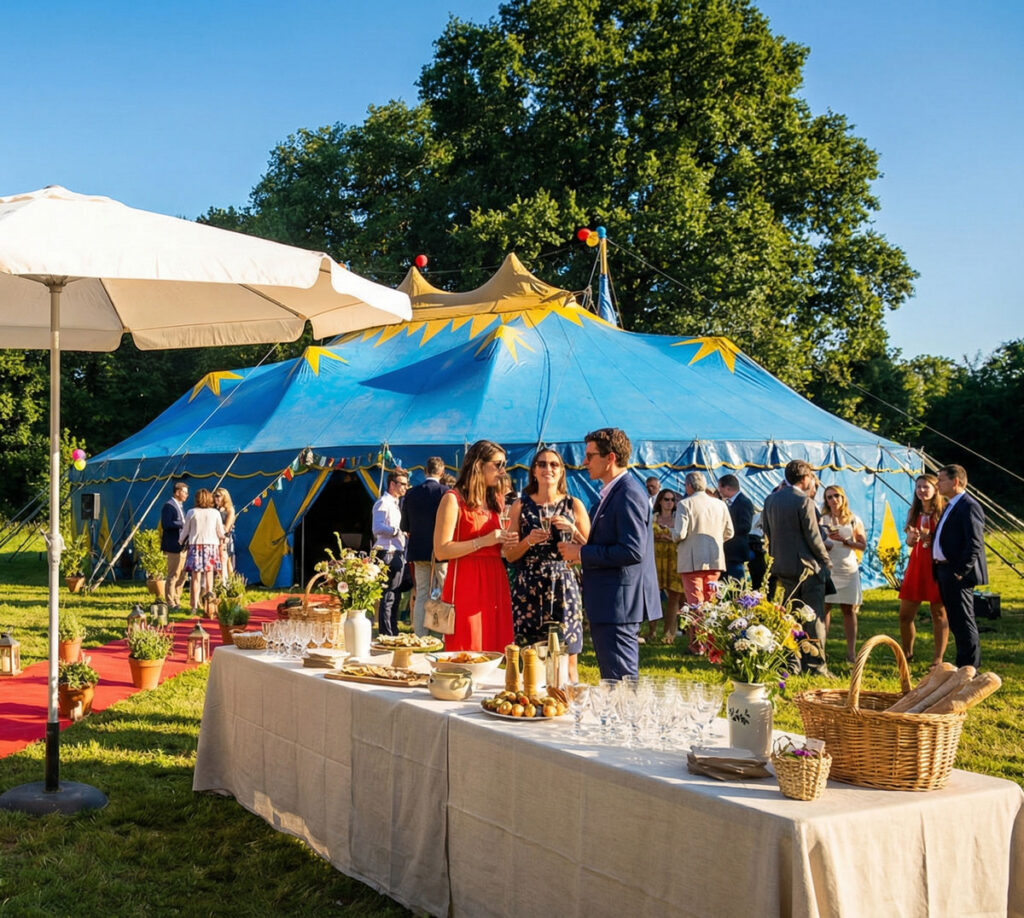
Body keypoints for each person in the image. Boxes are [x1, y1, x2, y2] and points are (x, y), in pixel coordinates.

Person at [558, 428, 660, 680]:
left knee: (620, 683)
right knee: (613, 680)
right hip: (611, 601)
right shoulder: (615, 492)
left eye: (590, 456)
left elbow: (632, 550)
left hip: (619, 604)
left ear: (610, 458)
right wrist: (581, 551)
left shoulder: (628, 493)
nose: (584, 462)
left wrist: (582, 553)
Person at [504, 448, 590, 682]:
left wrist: (572, 530)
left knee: (567, 660)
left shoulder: (574, 505)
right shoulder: (520, 506)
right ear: (533, 471)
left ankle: (568, 702)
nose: (547, 469)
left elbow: (591, 549)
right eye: (541, 464)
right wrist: (528, 541)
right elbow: (509, 555)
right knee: (529, 661)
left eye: (554, 464)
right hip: (528, 586)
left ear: (561, 471)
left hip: (563, 584)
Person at [433, 440, 518, 651]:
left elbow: (498, 548)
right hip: (466, 580)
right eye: (498, 465)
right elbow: (441, 550)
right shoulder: (453, 499)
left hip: (495, 578)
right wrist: (484, 541)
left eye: (504, 465)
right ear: (479, 465)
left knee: (496, 644)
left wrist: (507, 544)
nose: (503, 471)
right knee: (469, 646)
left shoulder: (496, 500)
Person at [761, 460, 832, 676]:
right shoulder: (804, 501)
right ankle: (816, 665)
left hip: (781, 565)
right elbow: (813, 537)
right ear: (805, 478)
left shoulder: (771, 499)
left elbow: (767, 531)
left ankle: (791, 663)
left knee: (790, 617)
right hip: (806, 567)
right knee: (813, 618)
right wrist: (825, 560)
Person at [933, 464, 987, 668]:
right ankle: (962, 664)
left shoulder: (969, 506)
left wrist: (960, 571)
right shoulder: (951, 505)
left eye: (941, 480)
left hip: (956, 572)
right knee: (956, 620)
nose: (937, 484)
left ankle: (970, 667)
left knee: (964, 621)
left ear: (955, 481)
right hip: (944, 569)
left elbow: (975, 543)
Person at [674, 470, 733, 652]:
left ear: (688, 486)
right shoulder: (720, 504)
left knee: (695, 603)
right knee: (710, 602)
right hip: (714, 559)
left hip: (692, 560)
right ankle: (711, 643)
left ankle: (697, 644)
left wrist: (670, 533)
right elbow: (729, 532)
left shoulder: (684, 504)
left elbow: (680, 534)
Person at [898, 473, 949, 666]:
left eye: (925, 487)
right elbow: (909, 542)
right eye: (918, 487)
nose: (921, 490)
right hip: (917, 564)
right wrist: (911, 539)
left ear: (936, 488)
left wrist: (932, 537)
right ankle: (907, 653)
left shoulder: (943, 510)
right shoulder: (914, 512)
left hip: (936, 564)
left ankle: (938, 659)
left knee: (939, 613)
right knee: (905, 615)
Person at [400, 457, 449, 636]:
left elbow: (404, 526)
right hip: (441, 550)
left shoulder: (411, 493)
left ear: (425, 471)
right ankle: (443, 633)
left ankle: (420, 635)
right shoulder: (446, 492)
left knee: (421, 594)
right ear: (442, 472)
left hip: (418, 549)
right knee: (445, 591)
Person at [821, 485, 866, 663]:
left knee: (848, 609)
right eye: (829, 497)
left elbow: (862, 545)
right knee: (825, 608)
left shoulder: (853, 519)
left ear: (843, 497)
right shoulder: (822, 519)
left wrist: (846, 541)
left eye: (836, 496)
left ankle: (851, 652)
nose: (834, 500)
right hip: (829, 567)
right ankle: (821, 650)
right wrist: (825, 544)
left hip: (847, 568)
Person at [372, 469, 409, 637]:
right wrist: (395, 531)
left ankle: (393, 629)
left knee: (396, 594)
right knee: (389, 594)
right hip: (387, 551)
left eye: (407, 484)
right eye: (402, 484)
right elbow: (377, 528)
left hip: (397, 550)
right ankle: (386, 632)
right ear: (392, 484)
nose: (405, 487)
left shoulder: (395, 503)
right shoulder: (383, 503)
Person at [181, 487, 224, 613]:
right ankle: (209, 604)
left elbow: (185, 531)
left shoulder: (191, 512)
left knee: (195, 578)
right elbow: (220, 532)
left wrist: (180, 541)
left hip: (196, 546)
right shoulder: (215, 513)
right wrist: (223, 539)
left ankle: (194, 606)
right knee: (209, 576)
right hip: (211, 546)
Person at [651, 488, 684, 643]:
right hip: (655, 560)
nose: (669, 503)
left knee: (674, 596)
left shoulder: (679, 519)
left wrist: (669, 538)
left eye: (672, 500)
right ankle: (651, 631)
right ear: (660, 501)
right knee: (653, 596)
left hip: (673, 559)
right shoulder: (652, 518)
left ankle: (669, 633)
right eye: (666, 499)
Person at [717, 474, 754, 583]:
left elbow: (745, 526)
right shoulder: (727, 502)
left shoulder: (744, 502)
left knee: (736, 583)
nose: (719, 491)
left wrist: (726, 529)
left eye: (720, 487)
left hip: (736, 552)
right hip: (727, 552)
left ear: (727, 488)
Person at [160, 480, 189, 610]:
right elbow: (166, 524)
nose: (186, 495)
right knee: (173, 575)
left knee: (183, 575)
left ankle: (177, 598)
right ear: (177, 492)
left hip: (183, 546)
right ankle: (170, 602)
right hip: (173, 546)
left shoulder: (180, 506)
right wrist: (183, 523)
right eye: (184, 492)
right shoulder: (169, 506)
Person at [212, 486, 236, 584]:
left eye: (218, 496)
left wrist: (216, 527)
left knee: (227, 561)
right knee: (216, 562)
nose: (215, 498)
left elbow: (227, 527)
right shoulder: (214, 509)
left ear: (224, 497)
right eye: (214, 496)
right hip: (214, 538)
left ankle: (231, 584)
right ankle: (218, 582)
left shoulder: (229, 509)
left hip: (225, 538)